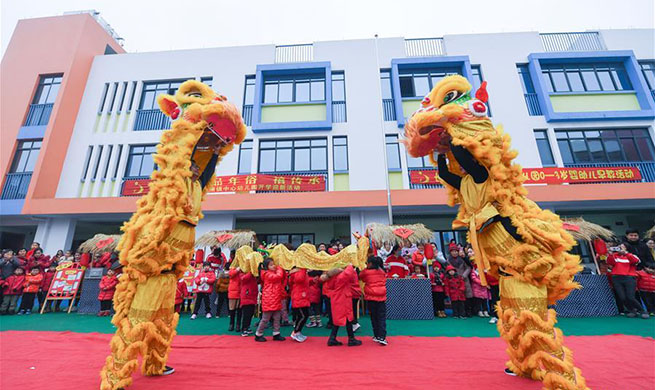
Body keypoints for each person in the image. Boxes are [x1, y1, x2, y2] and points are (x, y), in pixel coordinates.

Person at [322, 265, 361, 347]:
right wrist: (351, 264)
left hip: (336, 298)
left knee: (338, 320)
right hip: (343, 298)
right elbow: (347, 274)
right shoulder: (341, 276)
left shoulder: (332, 276)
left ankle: (333, 338)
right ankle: (351, 339)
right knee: (347, 318)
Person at [607, 244, 648, 319]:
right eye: (619, 247)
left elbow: (636, 261)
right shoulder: (614, 255)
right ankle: (632, 310)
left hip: (629, 277)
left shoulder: (631, 255)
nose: (620, 248)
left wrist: (626, 253)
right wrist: (610, 254)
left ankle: (642, 311)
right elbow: (610, 263)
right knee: (622, 297)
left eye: (622, 247)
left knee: (630, 297)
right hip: (616, 278)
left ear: (627, 248)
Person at [254, 258, 285, 342]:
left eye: (274, 264)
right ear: (266, 267)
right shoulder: (267, 274)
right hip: (269, 299)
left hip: (275, 297)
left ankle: (276, 333)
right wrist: (279, 268)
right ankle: (258, 334)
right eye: (271, 265)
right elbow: (278, 276)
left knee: (277, 317)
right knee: (265, 318)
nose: (274, 266)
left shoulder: (270, 273)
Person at [359, 256, 388, 345]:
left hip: (371, 296)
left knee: (373, 317)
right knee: (381, 317)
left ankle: (376, 335)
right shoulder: (382, 271)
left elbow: (361, 277)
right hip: (381, 296)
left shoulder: (366, 272)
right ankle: (382, 336)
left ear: (370, 263)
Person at [447, 243, 473, 316]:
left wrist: (464, 275)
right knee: (456, 297)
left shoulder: (462, 259)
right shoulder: (448, 260)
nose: (454, 253)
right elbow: (448, 269)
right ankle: (458, 312)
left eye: (456, 251)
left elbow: (468, 267)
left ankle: (468, 311)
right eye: (453, 251)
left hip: (464, 278)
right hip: (454, 280)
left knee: (467, 295)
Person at [288, 267, 310, 342]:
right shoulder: (298, 271)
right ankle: (295, 332)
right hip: (299, 296)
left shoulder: (299, 271)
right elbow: (299, 279)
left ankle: (298, 331)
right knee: (303, 316)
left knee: (303, 315)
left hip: (301, 295)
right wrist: (303, 269)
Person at [239, 270, 258, 336]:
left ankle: (247, 327)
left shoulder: (253, 273)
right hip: (246, 296)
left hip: (252, 296)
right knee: (246, 314)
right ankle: (244, 328)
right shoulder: (242, 273)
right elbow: (244, 279)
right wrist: (251, 272)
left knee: (250, 313)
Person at [227, 266, 242, 331]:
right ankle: (231, 324)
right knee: (232, 309)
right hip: (233, 291)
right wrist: (237, 270)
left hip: (241, 291)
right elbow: (230, 274)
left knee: (239, 309)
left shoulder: (244, 267)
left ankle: (238, 324)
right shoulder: (232, 267)